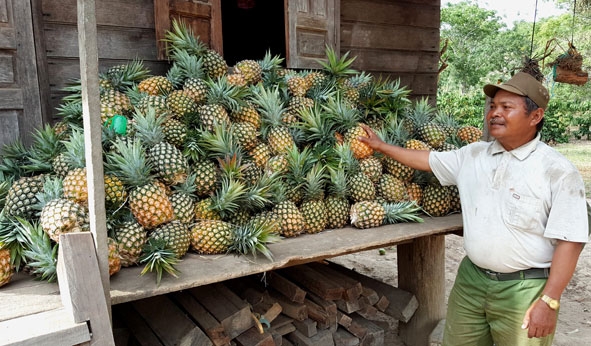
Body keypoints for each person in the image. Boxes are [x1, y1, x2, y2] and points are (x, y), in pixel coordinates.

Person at [358, 72, 589, 345]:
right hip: (472, 280)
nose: (495, 113)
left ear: (535, 116)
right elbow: (428, 160)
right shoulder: (474, 155)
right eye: (493, 106)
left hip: (525, 287)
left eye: (506, 107)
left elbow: (570, 241)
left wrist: (549, 300)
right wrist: (381, 146)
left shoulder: (557, 171)